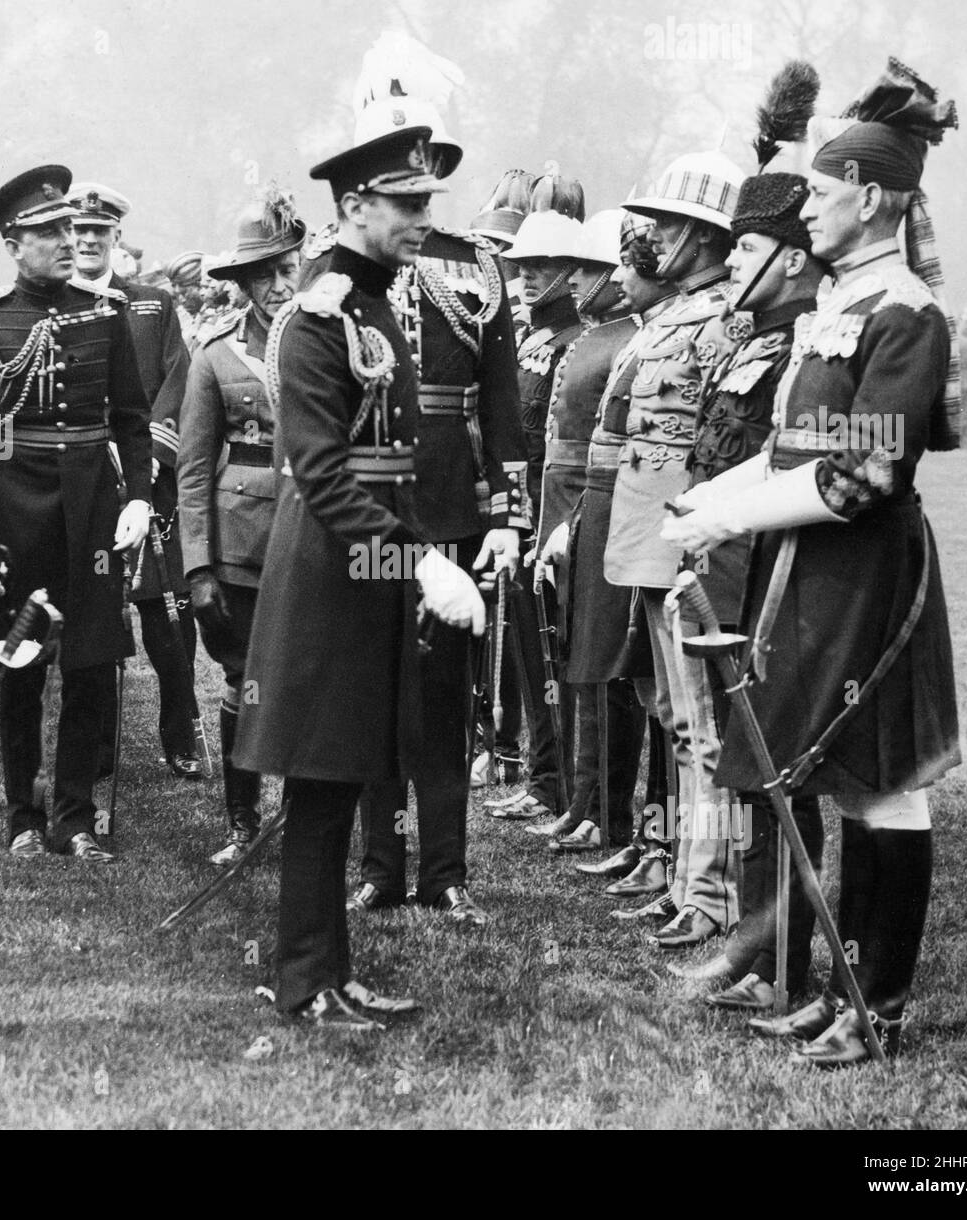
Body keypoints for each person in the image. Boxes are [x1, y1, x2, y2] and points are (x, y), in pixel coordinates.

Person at [665, 58, 961, 1064]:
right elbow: (794, 446)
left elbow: (861, 475)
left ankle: (876, 1002)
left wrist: (729, 515)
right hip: (810, 562)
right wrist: (714, 493)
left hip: (870, 567)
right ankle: (839, 989)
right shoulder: (836, 302)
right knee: (834, 772)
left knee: (885, 782)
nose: (809, 214)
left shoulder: (905, 314)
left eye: (826, 197)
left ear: (871, 200)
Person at [233, 117, 485, 1029]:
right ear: (352, 207)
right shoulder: (321, 314)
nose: (423, 217)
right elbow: (322, 471)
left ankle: (325, 973)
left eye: (427, 201)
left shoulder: (379, 301)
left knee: (342, 775)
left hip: (371, 569)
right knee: (321, 781)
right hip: (335, 573)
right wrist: (420, 564)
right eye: (406, 202)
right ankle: (305, 979)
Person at [314, 91, 524, 923]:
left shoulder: (479, 262)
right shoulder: (334, 267)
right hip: (373, 498)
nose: (421, 179)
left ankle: (445, 870)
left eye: (429, 162)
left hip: (454, 499)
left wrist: (507, 513)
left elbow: (502, 401)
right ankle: (379, 867)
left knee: (444, 700)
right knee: (374, 688)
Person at [661, 62, 827, 1008]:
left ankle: (776, 952)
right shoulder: (762, 337)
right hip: (725, 569)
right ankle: (760, 950)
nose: (727, 264)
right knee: (743, 760)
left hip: (771, 576)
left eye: (747, 249)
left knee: (775, 766)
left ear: (791, 259)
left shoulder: (807, 344)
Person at [0, 165, 152, 862]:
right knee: (18, 658)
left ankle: (75, 817)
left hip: (93, 504)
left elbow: (132, 420)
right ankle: (22, 815)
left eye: (69, 229)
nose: (67, 242)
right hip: (18, 502)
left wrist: (137, 496)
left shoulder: (105, 316)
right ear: (13, 244)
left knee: (91, 660)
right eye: (48, 233)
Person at [602, 147, 747, 949]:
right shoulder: (674, 311)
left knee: (701, 728)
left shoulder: (725, 316)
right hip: (650, 540)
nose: (651, 236)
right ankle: (689, 881)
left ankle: (712, 894)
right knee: (673, 718)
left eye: (665, 223)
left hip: (685, 542)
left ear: (699, 235)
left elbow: (711, 441)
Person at [177, 183, 307, 866]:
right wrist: (198, 567)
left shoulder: (324, 346)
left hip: (309, 537)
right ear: (246, 283)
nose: (283, 284)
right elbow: (193, 471)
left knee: (305, 679)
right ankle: (240, 821)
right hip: (241, 547)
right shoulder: (215, 356)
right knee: (242, 679)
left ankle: (304, 818)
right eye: (269, 273)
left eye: (291, 269)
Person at [558, 213, 680, 891]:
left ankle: (661, 846)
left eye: (631, 266)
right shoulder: (646, 333)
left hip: (648, 518)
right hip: (616, 511)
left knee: (663, 699)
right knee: (636, 678)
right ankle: (647, 840)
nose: (624, 278)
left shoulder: (659, 332)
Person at [68, 181, 203, 781]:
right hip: (87, 481)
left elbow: (180, 379)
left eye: (99, 231)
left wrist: (152, 454)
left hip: (151, 481)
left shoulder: (151, 304)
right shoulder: (58, 304)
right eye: (78, 230)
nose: (88, 239)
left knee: (167, 615)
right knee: (94, 618)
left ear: (116, 237)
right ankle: (96, 749)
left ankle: (180, 736)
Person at [534, 210, 650, 856]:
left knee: (607, 662)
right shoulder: (596, 336)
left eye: (587, 271)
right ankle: (584, 799)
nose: (574, 283)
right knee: (575, 655)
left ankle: (608, 807)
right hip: (569, 508)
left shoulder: (626, 337)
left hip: (601, 508)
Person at [482, 174, 585, 827]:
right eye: (519, 264)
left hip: (559, 516)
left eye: (541, 265)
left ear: (572, 270)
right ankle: (544, 777)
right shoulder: (522, 339)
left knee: (561, 655)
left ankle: (567, 786)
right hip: (519, 512)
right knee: (527, 649)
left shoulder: (579, 341)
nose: (524, 276)